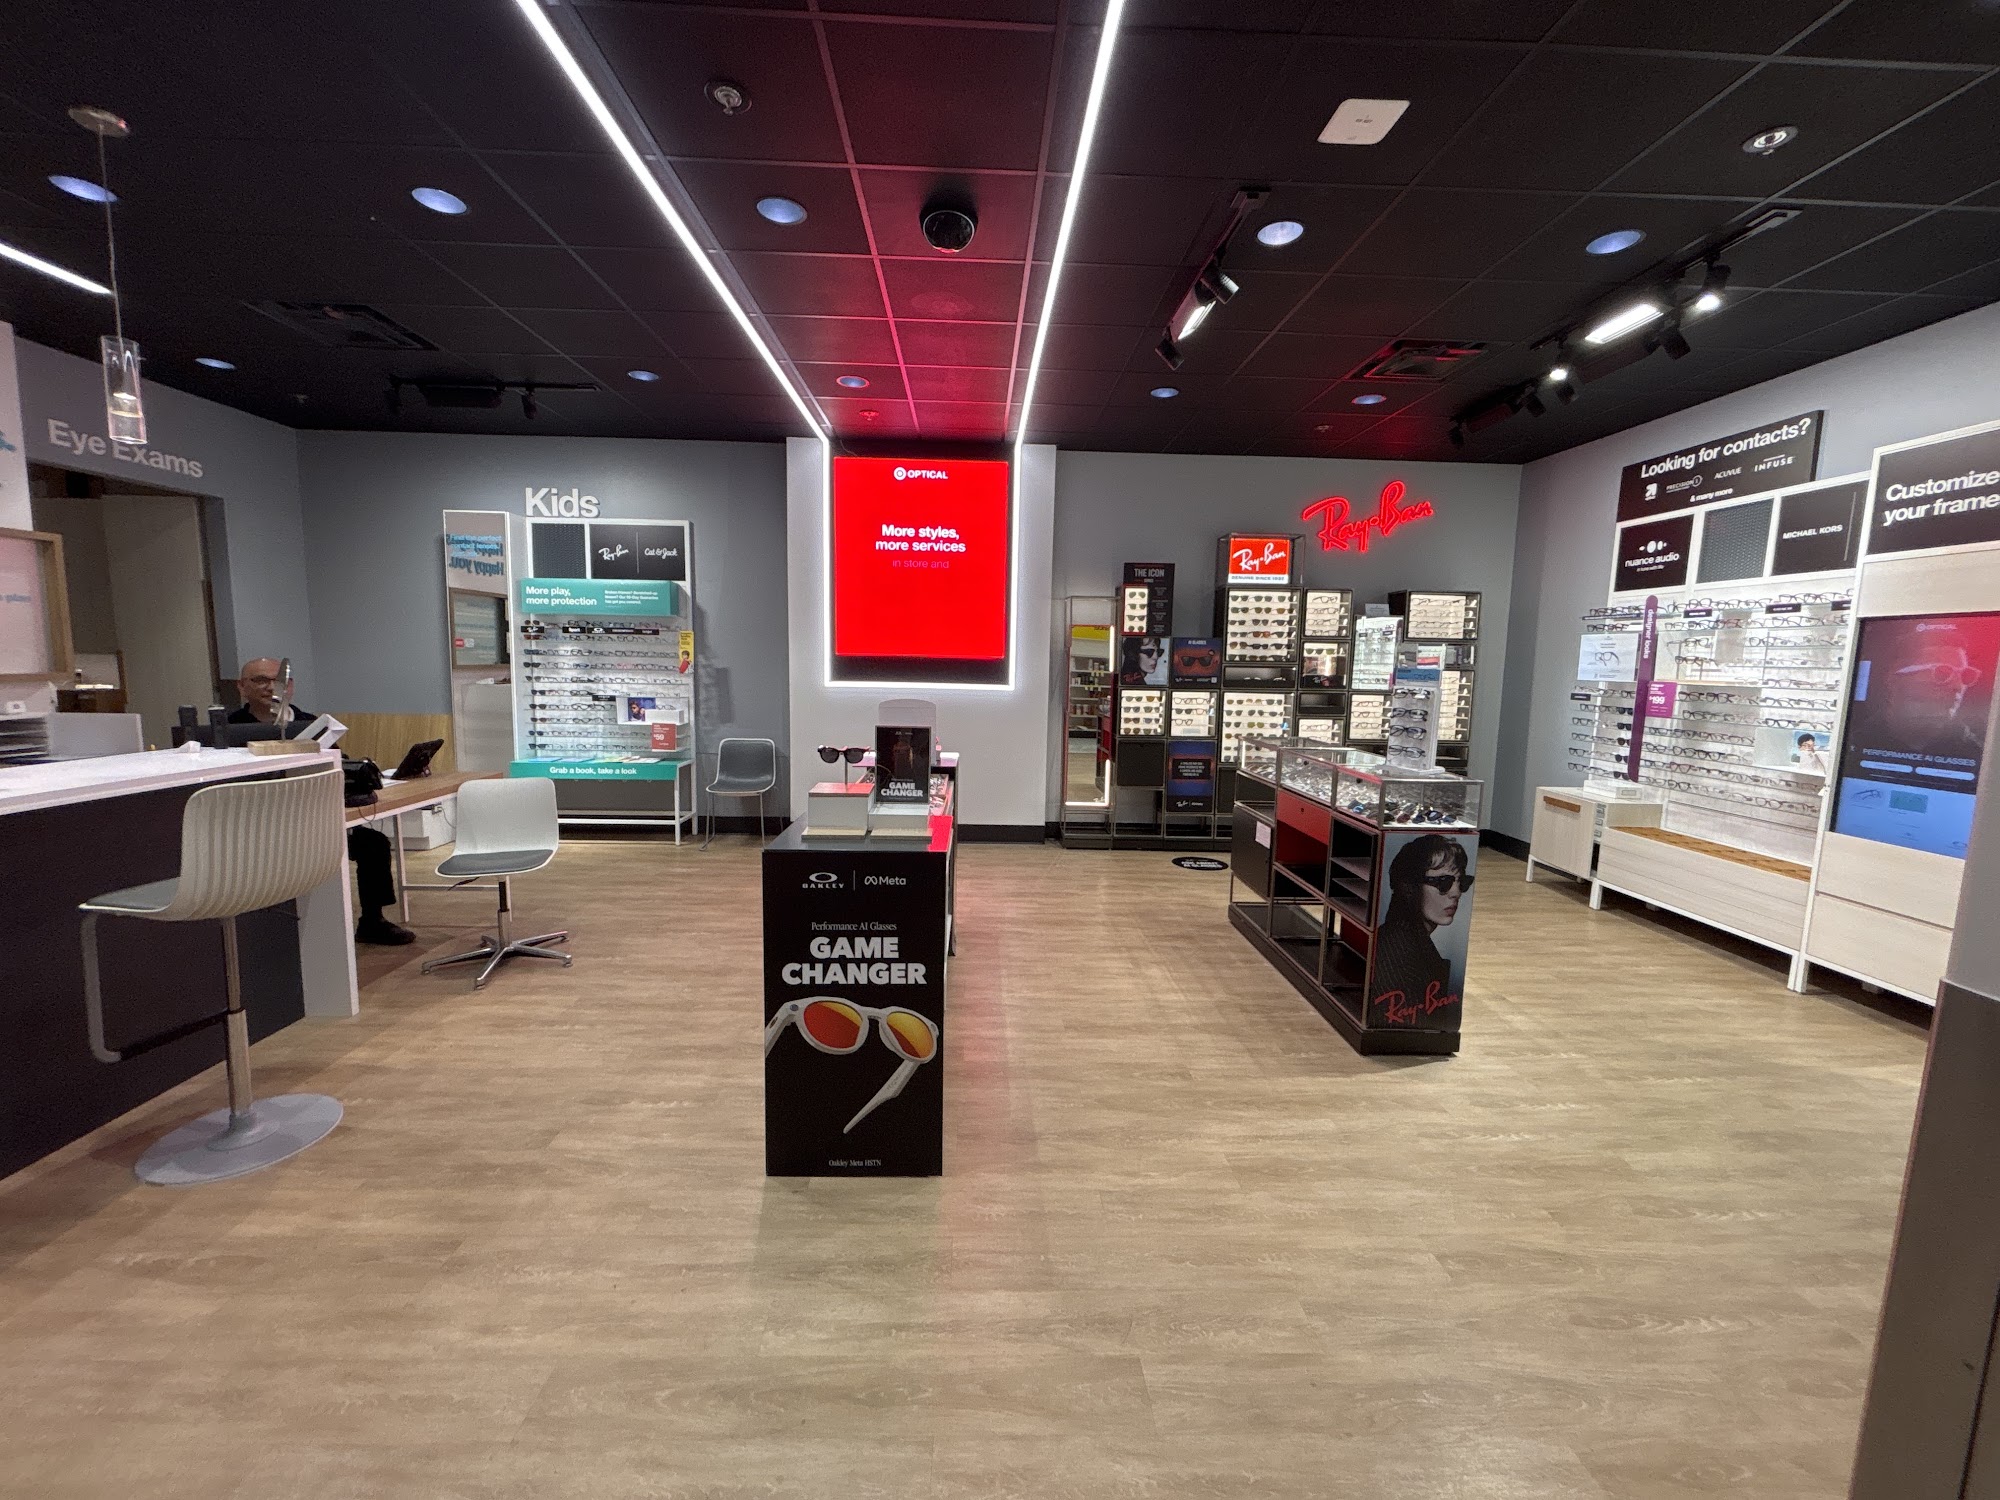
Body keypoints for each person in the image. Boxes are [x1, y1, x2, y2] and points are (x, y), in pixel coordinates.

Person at [229, 658, 414, 946]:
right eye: (260, 680)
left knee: (374, 844)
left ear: (290, 686)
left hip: (317, 819)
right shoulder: (229, 730)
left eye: (278, 680)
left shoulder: (312, 723)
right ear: (242, 687)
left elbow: (341, 765)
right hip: (265, 826)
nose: (271, 687)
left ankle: (373, 920)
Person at [1368, 834, 1472, 1023]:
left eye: (1462, 882)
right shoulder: (1398, 948)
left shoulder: (1408, 940)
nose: (1456, 893)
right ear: (1408, 887)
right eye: (1443, 882)